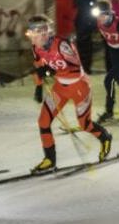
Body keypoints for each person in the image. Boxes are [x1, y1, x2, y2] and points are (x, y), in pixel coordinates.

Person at [26, 15, 112, 174]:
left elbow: (75, 67)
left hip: (79, 87)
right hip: (60, 87)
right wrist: (38, 86)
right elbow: (38, 65)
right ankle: (49, 160)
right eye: (29, 33)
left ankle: (105, 137)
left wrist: (51, 70)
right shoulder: (36, 47)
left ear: (44, 33)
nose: (30, 36)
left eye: (32, 33)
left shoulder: (62, 45)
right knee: (43, 121)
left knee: (84, 124)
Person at [74, 0, 97, 74]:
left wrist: (94, 26)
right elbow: (78, 14)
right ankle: (82, 68)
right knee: (82, 49)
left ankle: (87, 67)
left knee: (89, 49)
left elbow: (94, 14)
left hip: (88, 28)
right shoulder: (79, 0)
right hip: (81, 28)